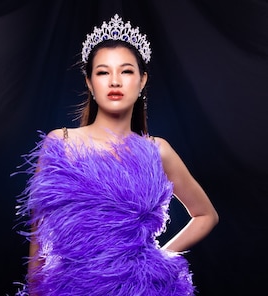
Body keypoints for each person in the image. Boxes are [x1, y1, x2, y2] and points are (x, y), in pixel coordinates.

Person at [14, 14, 219, 296]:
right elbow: (38, 232)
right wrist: (36, 290)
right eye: (102, 72)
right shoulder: (59, 142)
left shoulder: (157, 150)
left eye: (125, 71)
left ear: (142, 80)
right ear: (89, 82)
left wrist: (160, 259)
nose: (114, 81)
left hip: (143, 289)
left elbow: (205, 214)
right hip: (71, 288)